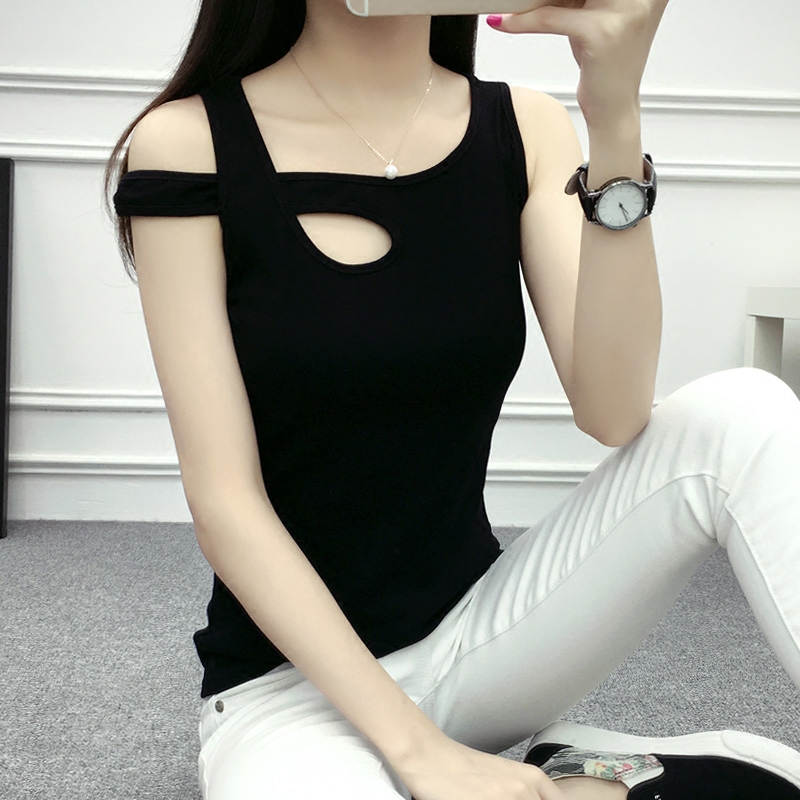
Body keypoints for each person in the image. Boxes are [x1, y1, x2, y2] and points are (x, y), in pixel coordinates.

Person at [104, 0, 800, 798]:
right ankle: (593, 781)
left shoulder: (522, 128)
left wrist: (615, 115)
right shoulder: (191, 142)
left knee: (743, 415)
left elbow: (613, 411)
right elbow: (225, 503)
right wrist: (419, 752)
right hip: (291, 689)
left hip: (480, 641)